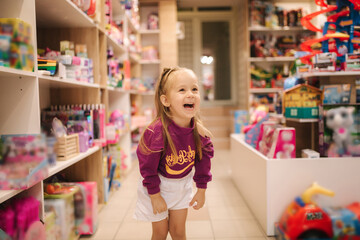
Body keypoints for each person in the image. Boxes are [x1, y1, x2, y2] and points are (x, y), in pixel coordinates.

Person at [133, 67, 214, 240]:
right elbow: (147, 169)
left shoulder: (198, 132)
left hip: (181, 185)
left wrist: (201, 189)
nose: (190, 94)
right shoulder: (156, 132)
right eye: (182, 90)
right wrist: (154, 196)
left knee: (178, 232)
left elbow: (204, 160)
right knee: (160, 233)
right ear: (166, 100)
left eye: (194, 89)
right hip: (156, 185)